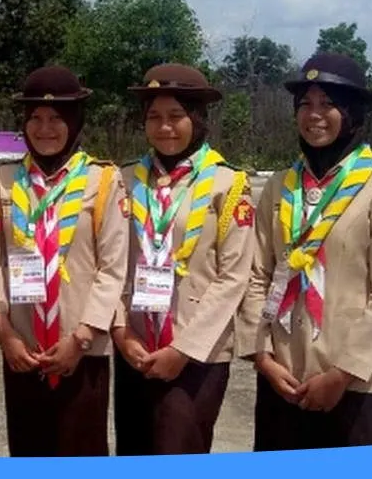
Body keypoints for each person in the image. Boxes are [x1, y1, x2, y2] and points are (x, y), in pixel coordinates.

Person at [238, 53, 372, 450]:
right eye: (305, 104)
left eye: (328, 104)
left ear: (352, 114)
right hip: (283, 378)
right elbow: (257, 274)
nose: (314, 115)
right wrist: (262, 357)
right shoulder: (280, 186)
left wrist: (342, 374)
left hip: (357, 386)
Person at [111, 63, 256, 455]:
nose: (165, 128)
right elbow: (111, 265)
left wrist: (184, 349)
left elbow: (233, 277)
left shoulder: (229, 184)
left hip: (196, 353)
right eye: (154, 117)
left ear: (197, 119)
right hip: (135, 348)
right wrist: (121, 332)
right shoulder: (124, 180)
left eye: (176, 117)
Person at [0, 66, 129, 457]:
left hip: (82, 350)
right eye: (35, 117)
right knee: (28, 448)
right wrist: (6, 336)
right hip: (23, 351)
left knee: (80, 448)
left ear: (75, 121)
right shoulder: (1, 180)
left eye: (56, 118)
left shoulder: (102, 181)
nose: (44, 128)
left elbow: (113, 267)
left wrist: (82, 337)